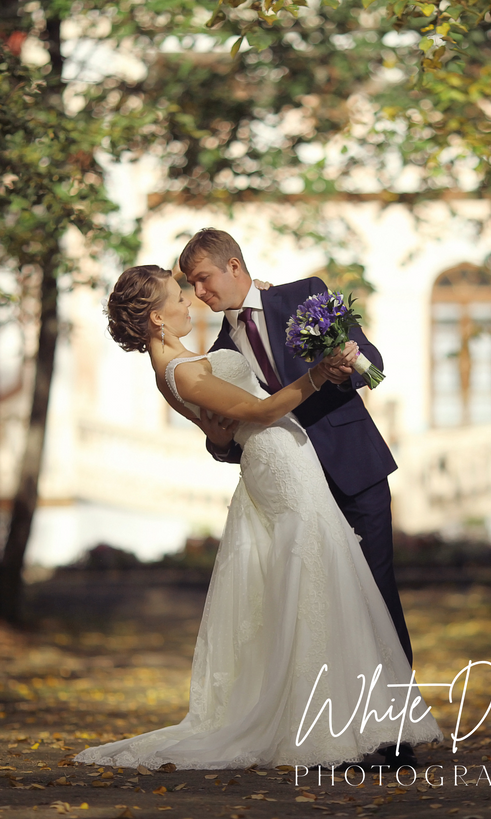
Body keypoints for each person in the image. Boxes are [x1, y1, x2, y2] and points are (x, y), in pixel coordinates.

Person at [74, 265, 442, 771]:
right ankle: (331, 726)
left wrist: (224, 431)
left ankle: (365, 724)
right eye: (180, 295)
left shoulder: (188, 357)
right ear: (157, 319)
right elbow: (262, 412)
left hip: (300, 461)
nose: (191, 301)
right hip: (281, 467)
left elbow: (222, 428)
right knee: (316, 583)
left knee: (330, 586)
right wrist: (314, 375)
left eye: (195, 286)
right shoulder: (181, 370)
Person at [178, 228, 417, 767]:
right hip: (294, 494)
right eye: (191, 286)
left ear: (234, 267)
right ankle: (345, 731)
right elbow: (236, 441)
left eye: (204, 279)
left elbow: (371, 359)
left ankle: (396, 735)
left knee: (378, 598)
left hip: (354, 471)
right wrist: (219, 442)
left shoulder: (303, 294)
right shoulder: (218, 352)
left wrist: (343, 366)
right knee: (329, 608)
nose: (199, 294)